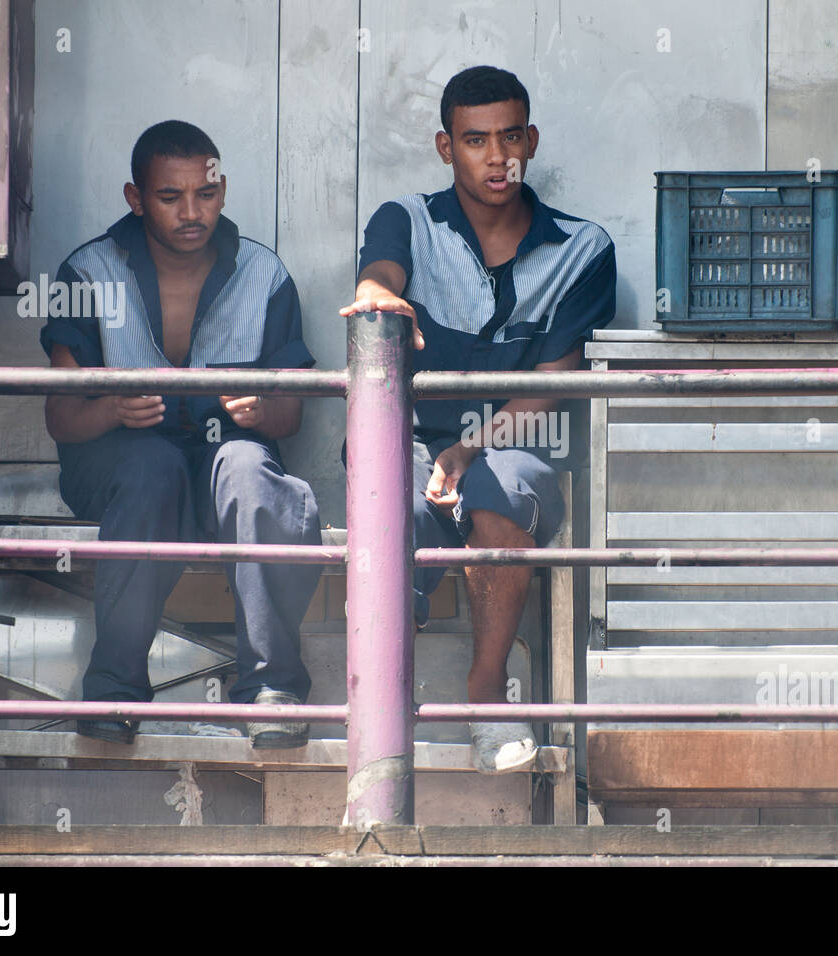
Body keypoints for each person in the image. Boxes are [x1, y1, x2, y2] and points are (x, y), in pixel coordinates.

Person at [341, 66, 616, 773]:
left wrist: (469, 448)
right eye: (475, 140)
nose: (498, 158)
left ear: (530, 138)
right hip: (407, 441)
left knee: (503, 490)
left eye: (509, 137)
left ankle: (488, 696)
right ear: (445, 146)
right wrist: (377, 296)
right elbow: (380, 275)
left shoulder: (582, 248)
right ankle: (380, 709)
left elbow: (553, 388)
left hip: (513, 447)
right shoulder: (406, 219)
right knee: (390, 505)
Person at [39, 120, 321, 749]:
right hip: (120, 474)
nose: (192, 213)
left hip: (224, 469)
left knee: (251, 470)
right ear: (135, 198)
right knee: (150, 470)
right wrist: (111, 411)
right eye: (170, 197)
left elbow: (292, 416)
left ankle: (272, 691)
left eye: (208, 194)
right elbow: (61, 416)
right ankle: (113, 691)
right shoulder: (88, 273)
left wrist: (260, 411)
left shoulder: (264, 274)